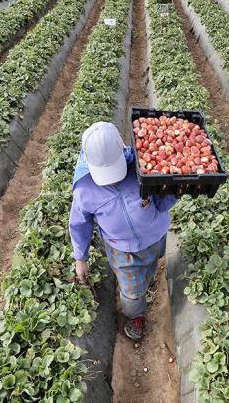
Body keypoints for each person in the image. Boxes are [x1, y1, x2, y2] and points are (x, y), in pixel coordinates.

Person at [69, 122, 177, 341]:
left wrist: (175, 190)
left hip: (155, 235)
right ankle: (135, 314)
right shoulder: (84, 189)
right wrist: (81, 258)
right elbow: (80, 224)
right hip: (121, 249)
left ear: (123, 147)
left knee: (151, 265)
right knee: (131, 290)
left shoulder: (143, 164)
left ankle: (147, 279)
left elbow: (163, 199)